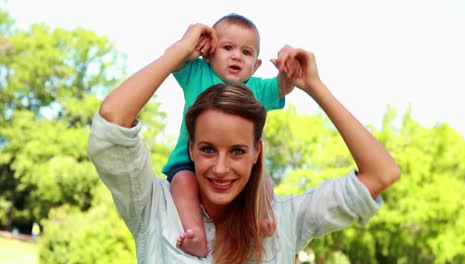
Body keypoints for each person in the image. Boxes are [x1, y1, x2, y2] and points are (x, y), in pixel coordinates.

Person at [87, 39, 400, 263]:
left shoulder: (284, 219)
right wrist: (178, 53)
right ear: (191, 150)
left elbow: (382, 173)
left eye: (237, 151)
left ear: (256, 151)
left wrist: (315, 86)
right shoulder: (153, 207)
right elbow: (112, 123)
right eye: (208, 149)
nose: (221, 168)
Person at [161, 13, 295, 257]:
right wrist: (188, 43)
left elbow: (283, 86)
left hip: (238, 168)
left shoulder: (257, 88)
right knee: (182, 183)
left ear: (255, 66)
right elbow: (172, 59)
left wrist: (289, 68)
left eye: (246, 52)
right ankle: (197, 234)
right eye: (228, 47)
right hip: (188, 162)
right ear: (209, 52)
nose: (236, 56)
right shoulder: (197, 72)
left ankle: (262, 216)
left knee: (264, 183)